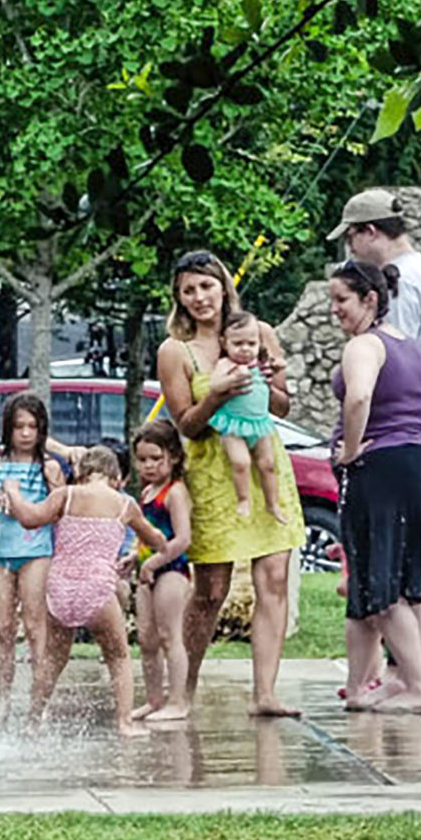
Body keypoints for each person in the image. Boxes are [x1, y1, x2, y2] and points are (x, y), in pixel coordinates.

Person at [156, 250, 306, 717]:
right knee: (212, 590)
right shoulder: (174, 351)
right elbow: (185, 424)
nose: (200, 297)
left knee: (274, 577)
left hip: (264, 465)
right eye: (189, 290)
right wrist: (217, 393)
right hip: (213, 474)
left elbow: (281, 408)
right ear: (178, 298)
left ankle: (265, 693)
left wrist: (272, 381)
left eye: (207, 286)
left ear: (224, 286)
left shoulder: (257, 333)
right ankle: (182, 693)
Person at [329, 260, 421, 713]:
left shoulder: (364, 346)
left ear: (370, 299)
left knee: (381, 583)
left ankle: (417, 686)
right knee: (417, 582)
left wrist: (350, 450)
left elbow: (360, 396)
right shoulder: (409, 346)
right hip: (415, 467)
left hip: (380, 471)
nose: (335, 310)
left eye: (341, 300)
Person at [3, 447, 166, 738]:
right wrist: (145, 551)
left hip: (60, 588)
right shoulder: (124, 504)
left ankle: (33, 719)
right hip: (99, 589)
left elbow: (28, 517)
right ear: (116, 477)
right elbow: (155, 539)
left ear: (81, 474)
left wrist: (12, 492)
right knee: (118, 657)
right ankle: (124, 723)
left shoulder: (65, 496)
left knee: (53, 659)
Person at [0, 394, 60, 729]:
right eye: (19, 426)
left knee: (36, 628)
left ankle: (39, 703)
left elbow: (58, 510)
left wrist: (26, 504)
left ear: (41, 431)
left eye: (32, 427)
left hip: (35, 552)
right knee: (4, 628)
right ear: (7, 429)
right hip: (1, 552)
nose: (25, 434)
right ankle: (3, 700)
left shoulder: (47, 467)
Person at [329, 189, 421, 371]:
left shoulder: (399, 281)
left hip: (405, 397)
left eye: (350, 237)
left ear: (371, 231)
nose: (350, 248)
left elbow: (395, 357)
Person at [129, 421, 194, 723]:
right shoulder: (146, 493)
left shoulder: (175, 493)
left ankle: (178, 701)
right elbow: (146, 536)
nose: (149, 465)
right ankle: (154, 699)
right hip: (148, 571)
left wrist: (153, 562)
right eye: (142, 460)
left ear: (174, 457)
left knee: (170, 636)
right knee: (147, 639)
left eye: (156, 458)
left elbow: (182, 538)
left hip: (171, 571)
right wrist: (133, 557)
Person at [207, 311, 290, 526]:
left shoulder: (261, 364)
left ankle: (272, 504)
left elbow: (278, 366)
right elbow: (214, 385)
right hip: (234, 423)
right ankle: (243, 500)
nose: (245, 349)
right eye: (238, 343)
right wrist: (231, 379)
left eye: (251, 343)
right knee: (241, 462)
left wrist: (278, 366)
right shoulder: (226, 364)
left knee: (268, 464)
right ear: (225, 343)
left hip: (260, 423)